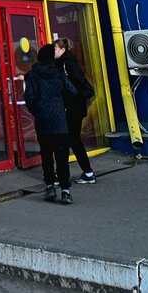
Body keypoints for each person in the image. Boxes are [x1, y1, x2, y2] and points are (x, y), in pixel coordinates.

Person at [24, 44, 76, 205]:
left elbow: (29, 97)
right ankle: (65, 190)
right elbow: (72, 91)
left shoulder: (32, 75)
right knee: (62, 157)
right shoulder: (58, 72)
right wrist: (62, 105)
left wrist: (38, 111)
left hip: (43, 121)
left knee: (46, 156)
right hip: (60, 121)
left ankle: (49, 186)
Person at [54, 38, 97, 184]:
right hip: (73, 108)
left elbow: (80, 85)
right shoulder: (64, 62)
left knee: (67, 140)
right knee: (72, 140)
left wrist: (71, 100)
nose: (53, 51)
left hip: (72, 109)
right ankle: (87, 173)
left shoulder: (67, 63)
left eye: (55, 48)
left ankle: (64, 175)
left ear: (62, 49)